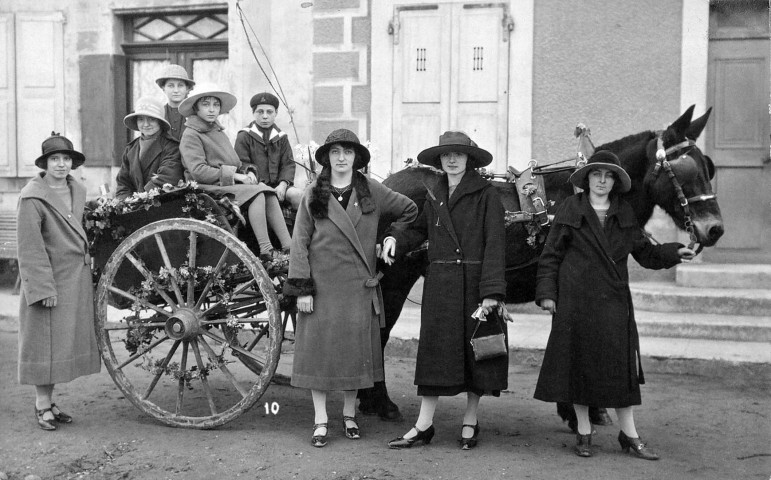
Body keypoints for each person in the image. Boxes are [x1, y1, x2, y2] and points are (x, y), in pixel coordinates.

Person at [533, 150, 696, 459]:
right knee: (577, 368)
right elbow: (550, 256)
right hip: (576, 300)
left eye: (608, 176)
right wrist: (547, 294)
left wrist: (676, 252)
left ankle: (629, 434)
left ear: (615, 182)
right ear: (587, 179)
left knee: (621, 371)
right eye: (597, 174)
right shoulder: (570, 208)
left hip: (613, 302)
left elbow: (646, 254)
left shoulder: (624, 213)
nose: (602, 181)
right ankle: (583, 430)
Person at [283, 129, 417, 448]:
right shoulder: (314, 192)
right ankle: (320, 420)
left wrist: (391, 237)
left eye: (348, 152)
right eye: (335, 152)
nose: (341, 158)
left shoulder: (372, 189)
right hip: (322, 288)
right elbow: (300, 242)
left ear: (356, 158)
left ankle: (348, 415)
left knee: (353, 357)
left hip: (358, 288)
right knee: (320, 356)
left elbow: (410, 210)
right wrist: (302, 289)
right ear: (327, 158)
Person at [385, 131, 508, 450]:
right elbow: (419, 230)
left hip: (474, 284)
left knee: (475, 355)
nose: (452, 160)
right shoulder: (433, 192)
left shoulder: (487, 195)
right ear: (439, 161)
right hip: (440, 285)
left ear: (470, 160)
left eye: (458, 154)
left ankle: (470, 420)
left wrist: (492, 291)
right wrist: (395, 239)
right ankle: (423, 425)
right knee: (434, 355)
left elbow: (495, 243)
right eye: (446, 155)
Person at [16, 133, 101, 431]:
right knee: (44, 344)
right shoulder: (32, 197)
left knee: (61, 344)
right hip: (49, 280)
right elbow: (29, 248)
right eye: (55, 159)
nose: (62, 165)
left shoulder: (77, 190)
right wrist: (41, 289)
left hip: (74, 279)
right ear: (45, 163)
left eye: (66, 159)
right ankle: (42, 405)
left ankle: (50, 403)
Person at [178, 84, 292, 261]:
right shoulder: (191, 134)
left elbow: (235, 162)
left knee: (267, 191)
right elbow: (198, 171)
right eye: (206, 104)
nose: (211, 109)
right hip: (205, 188)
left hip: (224, 185)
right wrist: (236, 176)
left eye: (215, 105)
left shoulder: (217, 131)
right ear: (196, 108)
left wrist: (248, 171)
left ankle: (289, 248)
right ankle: (266, 249)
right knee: (257, 193)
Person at [234, 92, 303, 210]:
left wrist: (283, 184)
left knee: (298, 195)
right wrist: (254, 179)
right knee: (264, 196)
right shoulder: (244, 136)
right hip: (255, 186)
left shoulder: (281, 137)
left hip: (279, 186)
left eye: (269, 112)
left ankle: (297, 228)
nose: (265, 116)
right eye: (260, 112)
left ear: (276, 113)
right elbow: (241, 162)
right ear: (253, 113)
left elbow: (288, 164)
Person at [115, 96, 184, 201]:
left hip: (162, 205)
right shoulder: (131, 149)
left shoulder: (172, 147)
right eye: (141, 119)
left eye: (151, 119)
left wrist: (140, 199)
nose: (146, 124)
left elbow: (167, 178)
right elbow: (123, 183)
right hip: (133, 209)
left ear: (160, 122)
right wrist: (126, 203)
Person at [155, 64, 195, 141]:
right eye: (171, 86)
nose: (176, 90)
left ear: (187, 88)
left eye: (180, 86)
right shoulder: (158, 114)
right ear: (163, 88)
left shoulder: (194, 113)